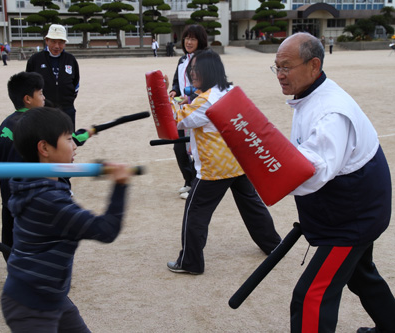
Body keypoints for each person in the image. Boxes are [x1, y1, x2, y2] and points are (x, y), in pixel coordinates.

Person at [272, 32, 395, 333]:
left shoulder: (331, 112)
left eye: (286, 66)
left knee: (311, 295)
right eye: (276, 67)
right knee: (361, 274)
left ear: (314, 65)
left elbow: (314, 169)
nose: (280, 75)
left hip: (352, 219)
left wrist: (268, 170)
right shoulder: (311, 94)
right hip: (356, 207)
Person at [1, 107, 131, 332]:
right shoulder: (48, 199)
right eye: (69, 139)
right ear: (44, 148)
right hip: (31, 307)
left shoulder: (35, 183)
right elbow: (106, 230)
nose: (74, 147)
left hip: (51, 297)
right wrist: (120, 185)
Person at [166, 50, 282, 275]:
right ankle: (274, 245)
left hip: (215, 168)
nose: (191, 73)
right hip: (238, 161)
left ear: (208, 70)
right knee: (252, 206)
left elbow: (178, 121)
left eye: (195, 69)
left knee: (195, 211)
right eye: (190, 69)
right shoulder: (228, 91)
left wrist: (167, 99)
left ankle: (190, 262)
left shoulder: (204, 101)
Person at [0, 71, 45, 261]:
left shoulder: (5, 124)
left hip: (9, 197)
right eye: (40, 93)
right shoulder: (35, 127)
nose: (44, 97)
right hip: (30, 200)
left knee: (11, 241)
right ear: (28, 99)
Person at [168, 25, 207, 199]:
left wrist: (189, 95)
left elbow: (207, 85)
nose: (189, 42)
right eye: (186, 38)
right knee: (179, 148)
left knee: (197, 149)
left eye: (193, 38)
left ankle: (196, 185)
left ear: (200, 41)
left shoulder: (205, 59)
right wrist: (175, 91)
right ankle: (189, 180)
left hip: (198, 110)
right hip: (183, 109)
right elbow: (177, 81)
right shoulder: (183, 60)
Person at [26, 24, 80, 127]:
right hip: (42, 111)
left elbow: (76, 84)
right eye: (53, 41)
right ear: (46, 40)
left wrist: (67, 100)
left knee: (67, 140)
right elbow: (28, 85)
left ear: (65, 43)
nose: (56, 46)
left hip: (67, 110)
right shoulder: (35, 60)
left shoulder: (70, 59)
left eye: (61, 42)